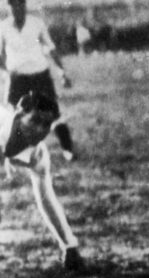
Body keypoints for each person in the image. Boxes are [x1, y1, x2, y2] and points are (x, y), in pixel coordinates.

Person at [1, 91, 84, 271]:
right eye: (35, 120)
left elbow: (46, 199)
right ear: (18, 115)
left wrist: (69, 245)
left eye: (47, 124)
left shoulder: (37, 154)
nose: (40, 130)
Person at [0, 0, 76, 161]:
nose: (17, 7)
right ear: (9, 6)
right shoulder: (3, 27)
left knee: (52, 114)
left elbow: (51, 48)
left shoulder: (36, 23)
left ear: (25, 5)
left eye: (20, 3)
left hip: (39, 75)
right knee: (14, 116)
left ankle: (67, 149)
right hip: (18, 78)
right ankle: (15, 153)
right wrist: (7, 72)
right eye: (13, 4)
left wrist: (62, 72)